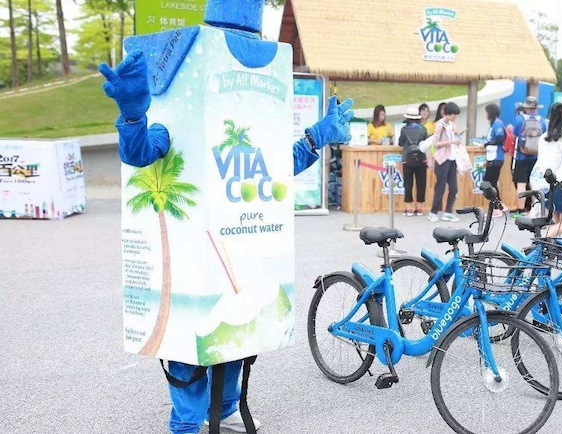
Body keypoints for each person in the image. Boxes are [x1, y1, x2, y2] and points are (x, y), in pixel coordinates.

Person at [98, 2, 355, 433]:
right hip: (192, 255)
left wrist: (316, 136)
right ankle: (186, 421)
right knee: (189, 347)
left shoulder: (246, 123)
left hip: (240, 248)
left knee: (237, 336)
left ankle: (227, 407)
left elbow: (276, 163)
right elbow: (140, 153)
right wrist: (133, 115)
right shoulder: (181, 112)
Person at [528, 102, 562, 237]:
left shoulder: (543, 137)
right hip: (559, 184)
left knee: (557, 220)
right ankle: (543, 239)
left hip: (543, 183)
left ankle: (550, 244)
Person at [510, 96, 546, 217]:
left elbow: (515, 135)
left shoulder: (519, 119)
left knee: (521, 183)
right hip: (536, 157)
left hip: (521, 156)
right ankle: (535, 209)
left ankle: (521, 210)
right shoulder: (542, 121)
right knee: (534, 183)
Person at [429, 102, 463, 222]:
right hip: (442, 159)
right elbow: (435, 143)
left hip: (452, 158)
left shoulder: (452, 125)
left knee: (454, 187)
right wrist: (451, 142)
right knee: (441, 187)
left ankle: (448, 212)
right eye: (454, 115)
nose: (455, 117)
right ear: (448, 114)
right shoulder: (440, 125)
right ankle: (433, 212)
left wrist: (457, 136)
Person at [397, 107, 428, 217]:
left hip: (407, 159)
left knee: (408, 184)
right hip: (421, 159)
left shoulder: (404, 130)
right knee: (421, 183)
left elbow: (400, 143)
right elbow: (426, 143)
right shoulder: (423, 129)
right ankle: (419, 208)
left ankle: (409, 208)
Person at [482, 103, 506, 218]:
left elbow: (500, 138)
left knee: (491, 183)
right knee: (490, 182)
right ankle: (499, 205)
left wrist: (487, 144)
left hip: (496, 157)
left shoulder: (497, 123)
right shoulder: (493, 124)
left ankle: (497, 207)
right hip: (491, 157)